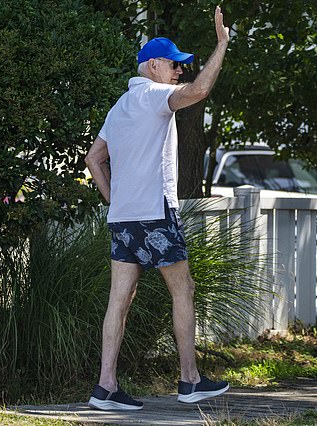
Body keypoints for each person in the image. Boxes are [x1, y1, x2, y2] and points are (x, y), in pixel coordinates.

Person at [84, 6, 230, 411]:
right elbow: (199, 92)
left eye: (182, 66)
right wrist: (221, 44)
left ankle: (106, 387)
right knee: (183, 288)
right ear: (151, 66)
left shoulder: (120, 106)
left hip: (124, 218)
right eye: (174, 64)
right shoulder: (154, 95)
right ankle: (189, 380)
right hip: (154, 212)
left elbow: (94, 159)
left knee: (120, 298)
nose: (180, 71)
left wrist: (115, 198)